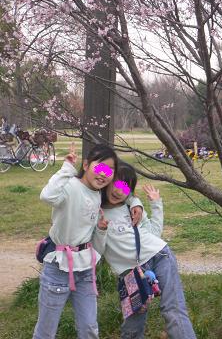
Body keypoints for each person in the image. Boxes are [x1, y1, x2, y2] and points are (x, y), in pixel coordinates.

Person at [33, 143, 142, 339]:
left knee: (90, 328)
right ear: (85, 165)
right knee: (46, 331)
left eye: (109, 171)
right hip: (59, 268)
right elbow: (47, 195)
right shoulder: (70, 187)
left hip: (85, 270)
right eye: (100, 167)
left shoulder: (100, 192)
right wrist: (66, 169)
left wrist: (136, 203)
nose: (103, 174)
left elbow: (123, 189)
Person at [93, 162, 197, 339]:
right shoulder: (96, 212)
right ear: (106, 182)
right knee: (134, 319)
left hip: (160, 255)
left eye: (125, 187)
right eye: (117, 183)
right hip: (129, 273)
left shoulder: (132, 209)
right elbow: (97, 250)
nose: (119, 191)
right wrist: (101, 230)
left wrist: (155, 205)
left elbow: (154, 234)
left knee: (173, 309)